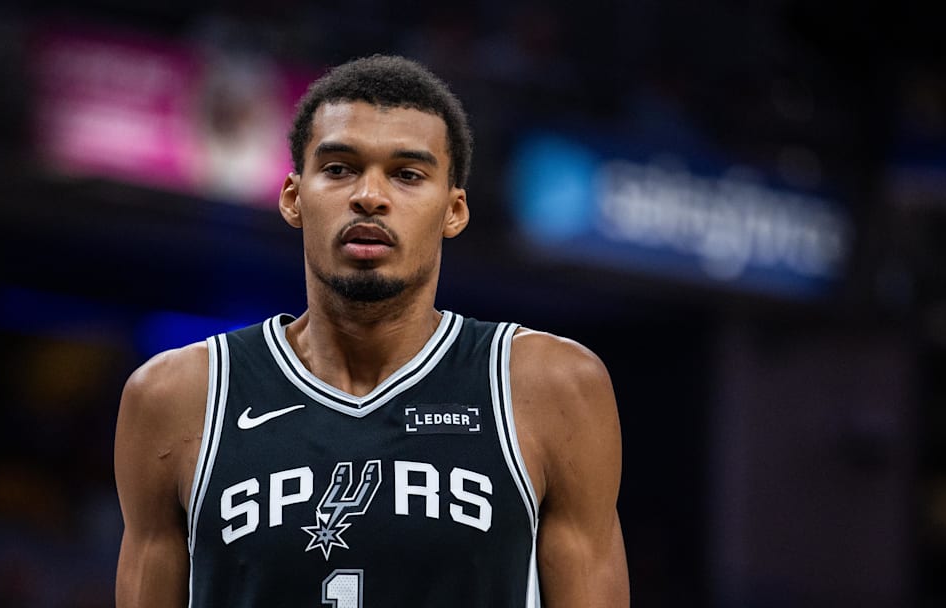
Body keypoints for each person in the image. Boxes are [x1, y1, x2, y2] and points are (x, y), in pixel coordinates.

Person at [114, 54, 629, 607]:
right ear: (293, 197)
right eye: (339, 169)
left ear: (454, 210)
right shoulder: (176, 396)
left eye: (407, 174)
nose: (369, 196)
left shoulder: (551, 386)